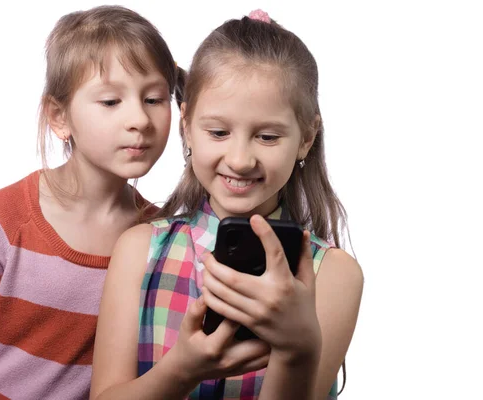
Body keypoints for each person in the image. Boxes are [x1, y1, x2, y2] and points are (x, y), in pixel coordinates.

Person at [91, 9, 363, 400]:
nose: (240, 159)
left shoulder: (334, 275)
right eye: (218, 132)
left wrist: (296, 349)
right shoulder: (139, 249)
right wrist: (182, 370)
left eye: (267, 137)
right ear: (186, 125)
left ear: (306, 137)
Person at [0, 6, 178, 399]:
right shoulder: (4, 219)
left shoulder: (162, 239)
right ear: (59, 117)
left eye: (155, 99)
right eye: (111, 101)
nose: (139, 119)